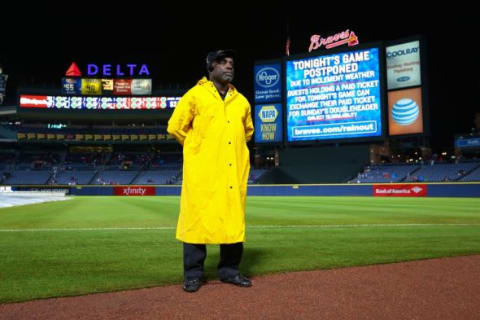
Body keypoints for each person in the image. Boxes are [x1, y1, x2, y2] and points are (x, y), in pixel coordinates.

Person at [167, 49, 254, 293]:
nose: (229, 66)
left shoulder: (242, 101)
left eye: (231, 63)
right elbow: (175, 127)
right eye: (223, 63)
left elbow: (247, 132)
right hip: (203, 172)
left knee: (232, 221)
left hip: (232, 172)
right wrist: (198, 149)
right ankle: (193, 274)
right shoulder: (195, 95)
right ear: (211, 67)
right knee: (197, 221)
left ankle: (230, 271)